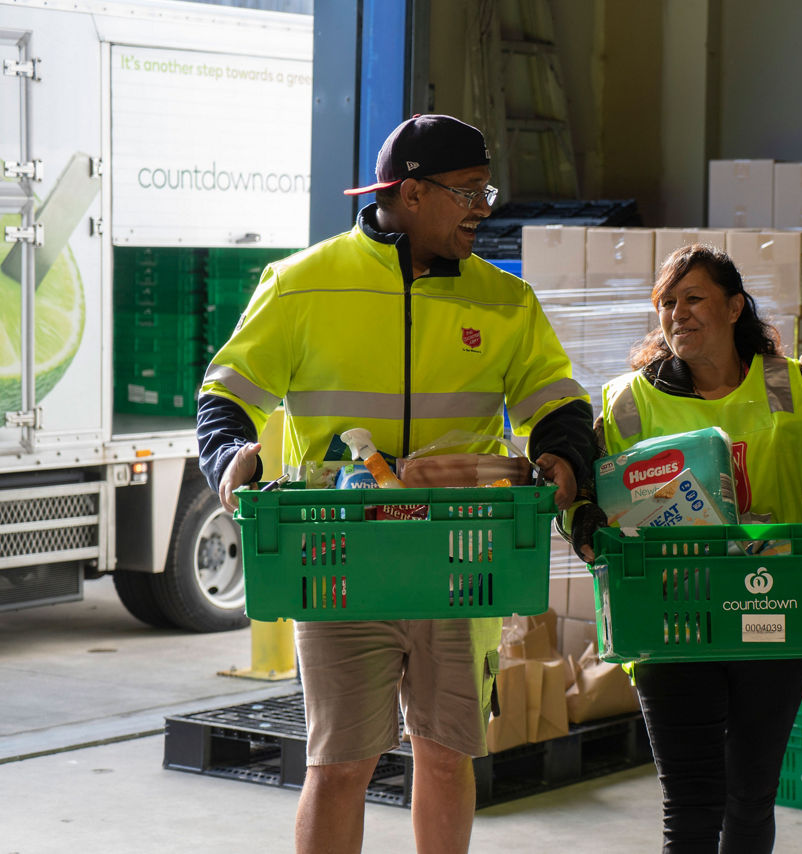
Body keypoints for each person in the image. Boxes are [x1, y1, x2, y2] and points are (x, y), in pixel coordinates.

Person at [196, 114, 596, 854]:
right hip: (341, 561)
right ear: (411, 194)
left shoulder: (506, 301)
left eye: (486, 189)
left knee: (447, 753)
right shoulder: (302, 286)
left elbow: (556, 400)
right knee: (341, 763)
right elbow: (227, 393)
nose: (485, 208)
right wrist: (231, 459)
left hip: (460, 562)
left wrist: (564, 455)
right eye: (469, 192)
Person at [569, 244, 802, 853]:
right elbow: (581, 504)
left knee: (750, 797)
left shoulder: (786, 384)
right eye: (667, 303)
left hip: (776, 609)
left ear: (734, 307)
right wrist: (590, 532)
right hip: (672, 619)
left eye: (693, 298)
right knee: (692, 802)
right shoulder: (625, 402)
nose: (678, 314)